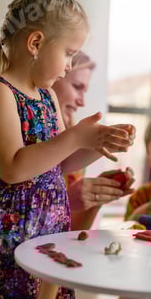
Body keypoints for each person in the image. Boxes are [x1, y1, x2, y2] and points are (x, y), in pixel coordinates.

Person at [0, 0, 134, 298]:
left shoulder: (47, 97)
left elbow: (60, 162)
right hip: (6, 241)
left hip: (48, 234)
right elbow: (13, 168)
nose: (69, 65)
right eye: (68, 53)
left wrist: (96, 143)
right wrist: (74, 135)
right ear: (36, 43)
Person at [52, 51, 135, 230]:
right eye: (76, 86)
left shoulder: (74, 151)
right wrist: (64, 200)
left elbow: (70, 232)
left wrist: (97, 196)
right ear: (52, 77)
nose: (82, 102)